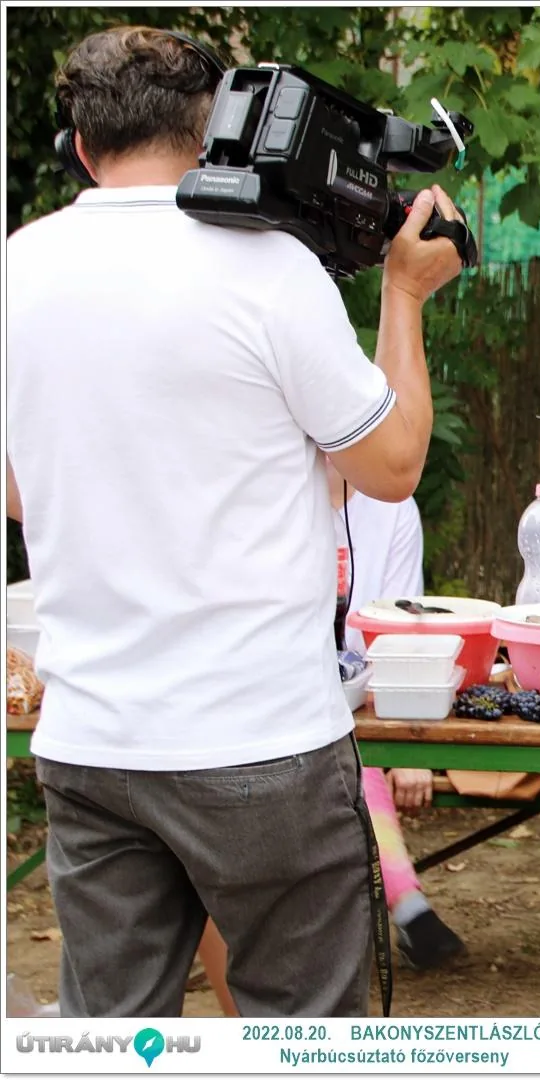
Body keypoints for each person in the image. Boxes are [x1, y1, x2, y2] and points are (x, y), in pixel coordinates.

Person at [5, 26, 463, 1017]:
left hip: (91, 738)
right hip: (257, 739)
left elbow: (17, 491)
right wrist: (404, 292)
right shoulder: (263, 266)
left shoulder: (19, 266)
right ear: (216, 129)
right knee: (300, 1031)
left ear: (81, 147)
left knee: (114, 1030)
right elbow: (388, 467)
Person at [197, 461, 466, 1015]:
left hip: (354, 701)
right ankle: (405, 903)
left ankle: (400, 906)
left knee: (341, 759)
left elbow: (401, 624)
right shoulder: (247, 490)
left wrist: (405, 740)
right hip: (245, 707)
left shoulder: (390, 504)